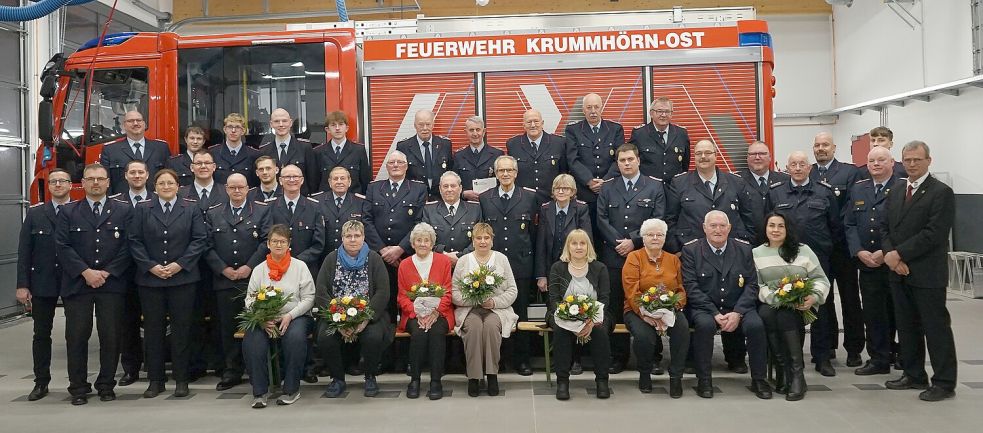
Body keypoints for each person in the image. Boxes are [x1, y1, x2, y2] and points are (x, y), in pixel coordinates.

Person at [882, 141, 957, 402]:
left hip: (926, 274)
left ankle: (944, 382)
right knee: (907, 327)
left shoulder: (941, 192)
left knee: (935, 328)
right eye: (907, 160)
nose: (912, 164)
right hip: (898, 272)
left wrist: (898, 254)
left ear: (928, 161)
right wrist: (891, 257)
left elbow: (934, 234)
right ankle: (913, 374)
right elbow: (885, 227)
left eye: (917, 159)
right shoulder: (896, 190)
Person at [55, 164, 133, 405]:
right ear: (83, 183)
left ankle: (106, 385)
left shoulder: (123, 211)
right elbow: (62, 246)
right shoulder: (69, 212)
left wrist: (107, 273)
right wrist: (86, 272)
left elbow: (129, 246)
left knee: (111, 336)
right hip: (78, 284)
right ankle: (78, 387)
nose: (96, 183)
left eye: (100, 179)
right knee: (77, 336)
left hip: (112, 285)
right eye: (91, 179)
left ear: (109, 182)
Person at [128, 169, 209, 398]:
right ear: (155, 187)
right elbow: (134, 240)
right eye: (161, 183)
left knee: (182, 330)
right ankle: (156, 380)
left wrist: (180, 264)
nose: (166, 187)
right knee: (153, 331)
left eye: (170, 183)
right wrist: (151, 266)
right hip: (150, 279)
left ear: (178, 186)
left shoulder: (191, 208)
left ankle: (181, 379)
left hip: (182, 279)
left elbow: (199, 239)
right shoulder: (143, 209)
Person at [767, 151, 841, 377]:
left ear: (810, 168)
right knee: (787, 305)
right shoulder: (775, 192)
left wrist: (828, 250)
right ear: (787, 168)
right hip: (785, 259)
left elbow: (835, 226)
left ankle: (823, 357)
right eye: (793, 164)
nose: (798, 168)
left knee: (821, 307)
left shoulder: (824, 192)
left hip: (817, 259)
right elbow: (770, 225)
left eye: (802, 164)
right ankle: (791, 355)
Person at [682, 211, 771, 400]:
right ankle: (704, 379)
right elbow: (691, 287)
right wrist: (714, 313)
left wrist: (738, 312)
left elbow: (751, 285)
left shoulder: (744, 249)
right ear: (704, 228)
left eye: (722, 226)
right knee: (704, 326)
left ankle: (759, 379)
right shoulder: (691, 250)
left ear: (729, 228)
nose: (718, 230)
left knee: (756, 325)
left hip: (738, 306)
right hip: (706, 308)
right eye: (713, 226)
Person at [596, 143, 666, 374]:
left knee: (651, 302)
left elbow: (658, 219)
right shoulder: (607, 187)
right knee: (615, 305)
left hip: (644, 256)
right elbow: (601, 219)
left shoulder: (654, 187)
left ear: (638, 160)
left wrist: (633, 242)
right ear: (617, 163)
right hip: (613, 256)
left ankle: (653, 357)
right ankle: (619, 357)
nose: (626, 163)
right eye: (622, 160)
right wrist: (619, 243)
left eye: (630, 159)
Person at [203, 173, 273, 391]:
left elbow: (265, 241)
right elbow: (206, 244)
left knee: (256, 326)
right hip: (224, 280)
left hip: (253, 280)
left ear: (247, 189)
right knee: (227, 328)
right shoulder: (214, 213)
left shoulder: (262, 210)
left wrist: (249, 267)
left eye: (240, 187)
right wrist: (223, 269)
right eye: (232, 187)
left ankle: (256, 370)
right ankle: (231, 370)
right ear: (226, 189)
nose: (236, 191)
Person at [753, 212, 830, 401]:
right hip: (771, 302)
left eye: (781, 226)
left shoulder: (803, 250)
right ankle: (784, 371)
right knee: (769, 315)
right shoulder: (757, 253)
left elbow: (820, 279)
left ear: (788, 229)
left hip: (802, 304)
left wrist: (812, 297)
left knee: (786, 315)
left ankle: (795, 374)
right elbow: (758, 285)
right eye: (772, 225)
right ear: (765, 228)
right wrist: (776, 299)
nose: (776, 230)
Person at [315, 220, 393, 398]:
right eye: (348, 236)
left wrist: (366, 318)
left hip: (368, 314)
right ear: (342, 238)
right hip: (336, 314)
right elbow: (321, 292)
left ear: (363, 237)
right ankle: (337, 379)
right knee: (325, 337)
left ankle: (370, 376)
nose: (352, 239)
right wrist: (337, 319)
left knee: (373, 337)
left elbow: (382, 292)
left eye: (357, 236)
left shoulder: (374, 258)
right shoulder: (331, 259)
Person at [242, 224, 315, 408]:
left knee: (295, 338)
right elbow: (250, 299)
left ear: (289, 244)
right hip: (264, 318)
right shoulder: (259, 269)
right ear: (268, 244)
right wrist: (261, 317)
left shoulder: (300, 267)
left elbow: (308, 298)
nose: (279, 245)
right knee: (252, 340)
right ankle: (260, 392)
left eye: (283, 241)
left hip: (296, 317)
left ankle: (291, 389)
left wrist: (290, 315)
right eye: (275, 241)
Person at [846, 146, 904, 375]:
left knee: (899, 312)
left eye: (882, 160)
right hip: (867, 262)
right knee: (872, 313)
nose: (876, 164)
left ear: (892, 163)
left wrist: (885, 251)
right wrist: (858, 251)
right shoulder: (859, 189)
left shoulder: (902, 187)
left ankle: (902, 355)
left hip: (892, 261)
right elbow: (849, 224)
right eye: (872, 161)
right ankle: (878, 358)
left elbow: (903, 226)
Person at [477, 155, 537, 376]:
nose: (505, 174)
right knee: (494, 315)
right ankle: (498, 361)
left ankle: (522, 360)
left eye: (509, 170)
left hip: (521, 265)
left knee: (520, 314)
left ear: (516, 172)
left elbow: (534, 235)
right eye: (501, 171)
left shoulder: (529, 197)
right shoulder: (485, 198)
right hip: (492, 268)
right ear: (495, 173)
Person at [16, 168, 72, 401]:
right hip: (42, 282)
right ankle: (41, 382)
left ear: (71, 185)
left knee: (76, 335)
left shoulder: (79, 211)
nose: (58, 185)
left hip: (73, 281)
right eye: (53, 182)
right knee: (41, 334)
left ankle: (77, 382)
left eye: (62, 181)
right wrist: (22, 284)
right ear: (48, 186)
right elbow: (24, 252)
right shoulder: (36, 214)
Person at [811, 131, 864, 369]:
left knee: (851, 299)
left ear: (834, 148)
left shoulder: (849, 172)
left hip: (843, 248)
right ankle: (828, 345)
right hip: (820, 250)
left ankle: (854, 349)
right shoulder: (809, 172)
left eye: (825, 145)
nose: (821, 149)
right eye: (817, 145)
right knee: (823, 299)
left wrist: (837, 236)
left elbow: (851, 209)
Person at [622, 218, 690, 398]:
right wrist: (646, 314)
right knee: (645, 337)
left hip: (669, 310)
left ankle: (676, 377)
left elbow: (681, 290)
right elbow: (631, 291)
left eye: (659, 235)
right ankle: (645, 374)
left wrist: (673, 306)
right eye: (650, 234)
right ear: (643, 238)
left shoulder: (673, 259)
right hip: (638, 311)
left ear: (664, 238)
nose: (655, 238)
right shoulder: (634, 257)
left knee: (682, 330)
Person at [451, 222, 519, 397]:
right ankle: (474, 377)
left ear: (492, 240)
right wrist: (473, 300)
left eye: (486, 238)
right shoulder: (463, 261)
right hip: (469, 309)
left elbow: (512, 290)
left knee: (490, 328)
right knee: (474, 328)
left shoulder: (501, 259)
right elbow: (454, 293)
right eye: (478, 238)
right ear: (473, 241)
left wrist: (494, 302)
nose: (482, 241)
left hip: (497, 310)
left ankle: (491, 374)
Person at [547, 229, 611, 400]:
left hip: (595, 316)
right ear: (568, 246)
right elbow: (553, 300)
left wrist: (590, 322)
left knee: (600, 332)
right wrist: (572, 324)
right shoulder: (557, 267)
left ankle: (602, 381)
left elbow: (604, 298)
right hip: (562, 316)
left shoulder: (599, 268)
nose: (578, 247)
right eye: (574, 243)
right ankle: (562, 382)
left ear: (588, 246)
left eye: (582, 243)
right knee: (561, 333)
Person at [365, 150, 428, 321]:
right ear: (386, 166)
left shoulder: (418, 189)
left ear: (406, 166)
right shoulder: (374, 188)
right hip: (380, 257)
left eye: (400, 162)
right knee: (384, 303)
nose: (395, 165)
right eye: (392, 162)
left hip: (407, 256)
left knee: (410, 300)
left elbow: (419, 223)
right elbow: (366, 219)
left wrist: (400, 249)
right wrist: (383, 250)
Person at [396, 223, 455, 400]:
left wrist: (435, 313)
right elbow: (401, 297)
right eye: (418, 240)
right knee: (420, 333)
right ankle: (414, 380)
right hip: (413, 314)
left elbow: (448, 292)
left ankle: (436, 381)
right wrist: (417, 313)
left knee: (436, 332)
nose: (422, 244)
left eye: (426, 240)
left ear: (432, 243)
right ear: (412, 244)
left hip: (441, 313)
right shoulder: (404, 264)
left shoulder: (443, 261)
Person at [666, 139, 756, 253]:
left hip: (732, 251)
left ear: (716, 155)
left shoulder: (736, 182)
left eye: (708, 153)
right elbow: (670, 220)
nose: (703, 156)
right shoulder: (679, 183)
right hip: (692, 252)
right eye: (699, 153)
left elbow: (749, 218)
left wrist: (747, 247)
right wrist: (676, 250)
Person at [565, 93, 624, 224]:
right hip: (585, 192)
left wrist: (606, 181)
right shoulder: (573, 130)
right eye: (589, 107)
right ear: (583, 110)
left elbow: (620, 159)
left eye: (596, 107)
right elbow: (572, 159)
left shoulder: (615, 129)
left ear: (602, 108)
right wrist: (589, 181)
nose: (593, 111)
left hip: (611, 189)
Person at [119, 161, 152, 385]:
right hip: (125, 271)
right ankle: (130, 368)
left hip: (154, 270)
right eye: (133, 172)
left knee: (154, 322)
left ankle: (154, 366)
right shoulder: (116, 202)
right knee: (128, 322)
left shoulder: (159, 199)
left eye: (141, 172)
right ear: (126, 175)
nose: (137, 176)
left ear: (148, 175)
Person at [535, 174, 592, 294]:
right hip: (551, 267)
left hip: (576, 266)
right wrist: (541, 275)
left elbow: (586, 241)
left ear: (572, 192)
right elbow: (541, 244)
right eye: (557, 188)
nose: (561, 191)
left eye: (565, 188)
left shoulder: (581, 209)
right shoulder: (545, 209)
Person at [269, 164, 326, 276]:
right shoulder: (270, 207)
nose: (292, 180)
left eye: (295, 177)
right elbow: (265, 239)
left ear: (302, 180)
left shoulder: (315, 207)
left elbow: (318, 244)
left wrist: (295, 262)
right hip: (276, 268)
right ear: (280, 180)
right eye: (287, 177)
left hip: (306, 269)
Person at [506, 108, 569, 204]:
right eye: (529, 122)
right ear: (523, 125)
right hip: (522, 202)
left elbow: (564, 173)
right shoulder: (513, 144)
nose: (533, 125)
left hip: (551, 201)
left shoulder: (558, 143)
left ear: (542, 123)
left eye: (536, 121)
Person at [99, 110, 169, 194]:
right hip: (122, 204)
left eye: (139, 120)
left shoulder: (161, 148)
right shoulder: (110, 150)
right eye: (130, 121)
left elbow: (169, 178)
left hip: (155, 203)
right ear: (124, 125)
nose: (135, 123)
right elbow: (105, 183)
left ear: (144, 124)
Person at [421, 171, 482, 266]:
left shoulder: (475, 209)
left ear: (460, 188)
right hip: (438, 264)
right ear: (440, 189)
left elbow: (479, 237)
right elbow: (425, 238)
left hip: (468, 264)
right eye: (445, 186)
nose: (449, 189)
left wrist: (461, 257)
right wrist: (444, 255)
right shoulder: (429, 210)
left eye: (453, 186)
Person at [315, 166, 380, 254]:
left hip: (353, 255)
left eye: (342, 178)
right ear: (330, 183)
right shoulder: (317, 202)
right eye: (335, 179)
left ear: (349, 182)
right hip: (324, 257)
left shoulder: (361, 202)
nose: (339, 182)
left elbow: (367, 229)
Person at [258, 108, 319, 196]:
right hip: (274, 202)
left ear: (290, 123)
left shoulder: (305, 148)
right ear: (271, 124)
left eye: (284, 121)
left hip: (300, 202)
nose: (281, 124)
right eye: (277, 121)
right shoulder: (264, 151)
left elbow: (313, 180)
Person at [628, 97, 690, 183]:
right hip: (648, 187)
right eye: (659, 111)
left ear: (671, 114)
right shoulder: (639, 134)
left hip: (675, 188)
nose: (663, 115)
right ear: (651, 113)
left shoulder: (681, 133)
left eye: (667, 111)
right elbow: (632, 160)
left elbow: (685, 164)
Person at [396, 110, 453, 200]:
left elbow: (451, 172)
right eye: (421, 124)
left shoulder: (445, 144)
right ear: (415, 125)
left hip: (441, 200)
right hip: (414, 199)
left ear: (433, 124)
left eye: (428, 124)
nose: (425, 128)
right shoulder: (404, 146)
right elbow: (400, 176)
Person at [738, 140, 790, 238]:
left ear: (770, 157)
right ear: (747, 158)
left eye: (762, 153)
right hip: (748, 242)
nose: (757, 157)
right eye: (753, 154)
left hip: (779, 241)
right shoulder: (736, 181)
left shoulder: (785, 180)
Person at [314, 111, 371, 195]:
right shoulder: (318, 152)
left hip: (353, 202)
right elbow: (315, 182)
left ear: (347, 128)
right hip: (326, 203)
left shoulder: (359, 150)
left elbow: (365, 180)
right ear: (327, 129)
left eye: (341, 124)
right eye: (333, 125)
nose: (337, 128)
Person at [452, 116, 503, 201]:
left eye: (478, 130)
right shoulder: (458, 156)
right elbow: (453, 183)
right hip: (467, 206)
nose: (475, 134)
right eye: (471, 130)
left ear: (484, 132)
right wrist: (463, 194)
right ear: (466, 132)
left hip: (491, 204)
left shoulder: (497, 154)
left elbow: (503, 181)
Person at [210, 113, 260, 187]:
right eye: (230, 127)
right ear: (225, 129)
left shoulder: (254, 155)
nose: (233, 130)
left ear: (243, 131)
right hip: (219, 197)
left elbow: (256, 183)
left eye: (237, 127)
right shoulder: (213, 153)